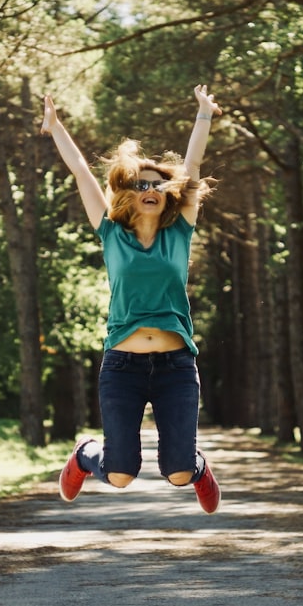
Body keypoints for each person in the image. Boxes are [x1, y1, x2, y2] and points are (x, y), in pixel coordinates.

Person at [40, 84, 222, 514]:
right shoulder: (111, 233)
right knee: (120, 475)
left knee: (178, 473)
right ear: (130, 193)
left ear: (168, 194)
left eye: (158, 184)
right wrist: (56, 127)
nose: (150, 188)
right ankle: (86, 455)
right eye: (141, 183)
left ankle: (195, 467)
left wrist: (204, 115)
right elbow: (83, 172)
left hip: (176, 366)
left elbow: (192, 165)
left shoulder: (180, 232)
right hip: (123, 365)